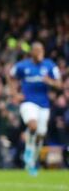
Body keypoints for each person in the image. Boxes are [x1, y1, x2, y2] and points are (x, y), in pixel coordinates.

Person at [9, 41, 62, 176]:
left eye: (41, 51)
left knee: (41, 134)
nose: (39, 54)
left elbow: (60, 84)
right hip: (28, 102)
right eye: (37, 51)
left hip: (44, 105)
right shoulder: (23, 66)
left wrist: (50, 81)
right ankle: (28, 150)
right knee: (33, 126)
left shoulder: (50, 65)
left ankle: (31, 162)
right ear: (31, 52)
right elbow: (10, 75)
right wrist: (14, 93)